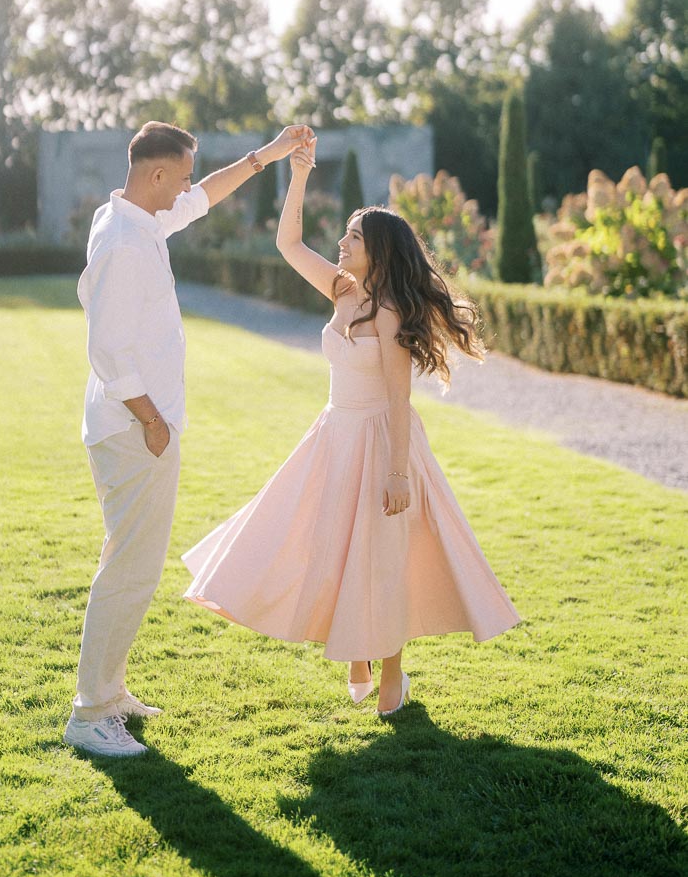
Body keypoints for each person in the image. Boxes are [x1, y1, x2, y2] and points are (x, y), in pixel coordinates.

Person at [183, 139, 520, 715]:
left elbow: (396, 398)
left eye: (353, 237)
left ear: (380, 252)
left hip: (382, 440)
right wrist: (299, 172)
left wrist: (396, 474)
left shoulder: (390, 313)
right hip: (334, 435)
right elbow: (288, 243)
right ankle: (356, 651)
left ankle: (391, 671)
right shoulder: (341, 288)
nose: (341, 243)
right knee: (326, 544)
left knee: (382, 553)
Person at [64, 119, 314, 758]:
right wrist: (153, 422)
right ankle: (90, 715)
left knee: (130, 567)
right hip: (132, 430)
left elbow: (204, 195)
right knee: (128, 571)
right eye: (177, 177)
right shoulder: (123, 241)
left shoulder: (137, 218)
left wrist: (269, 156)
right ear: (153, 175)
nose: (185, 189)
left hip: (136, 427)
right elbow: (109, 351)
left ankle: (109, 692)